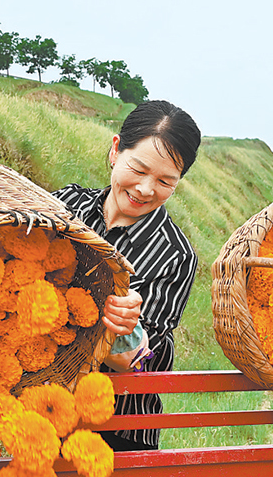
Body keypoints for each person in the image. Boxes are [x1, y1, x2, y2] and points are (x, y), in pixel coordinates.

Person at [52, 100, 201, 451]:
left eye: (165, 181)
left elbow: (138, 361)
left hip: (120, 428)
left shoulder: (176, 255)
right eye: (139, 168)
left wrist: (128, 329)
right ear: (116, 150)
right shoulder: (66, 206)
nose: (146, 189)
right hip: (45, 408)